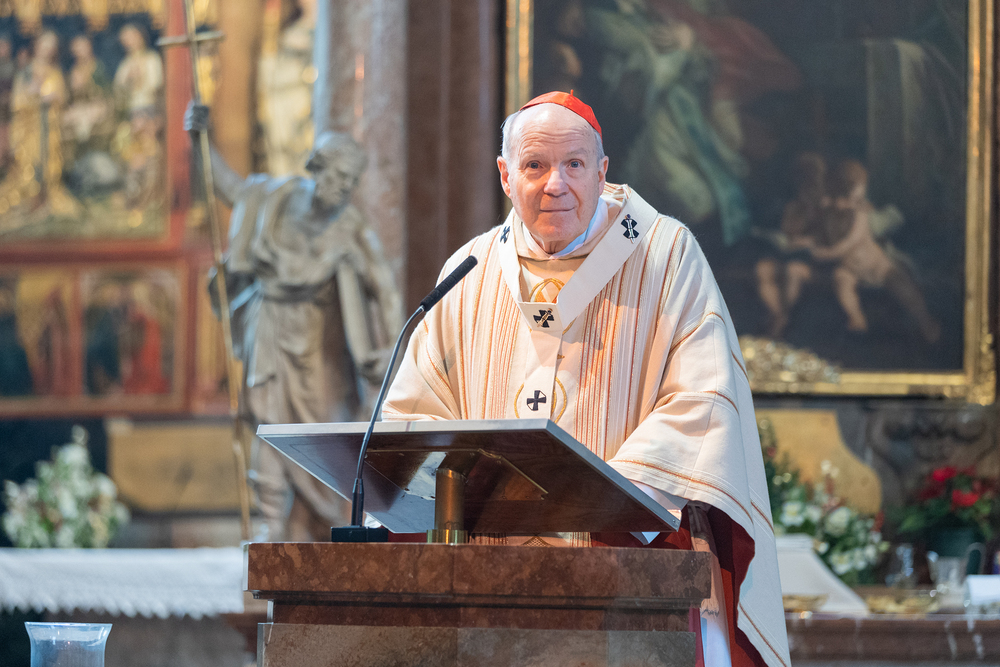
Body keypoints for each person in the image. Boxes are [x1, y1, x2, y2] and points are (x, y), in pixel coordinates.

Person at [382, 91, 788, 667]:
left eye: (574, 164)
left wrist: (600, 504)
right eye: (535, 165)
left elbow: (701, 399)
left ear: (602, 172)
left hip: (627, 568)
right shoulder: (468, 271)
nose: (556, 184)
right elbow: (414, 414)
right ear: (505, 175)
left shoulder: (665, 257)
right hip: (485, 575)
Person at [185, 102, 404, 542]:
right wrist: (201, 141)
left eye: (351, 182)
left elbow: (384, 286)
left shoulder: (351, 228)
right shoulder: (274, 198)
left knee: (326, 429)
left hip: (319, 343)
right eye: (337, 177)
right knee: (267, 424)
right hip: (269, 325)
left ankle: (323, 524)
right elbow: (228, 187)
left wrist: (393, 349)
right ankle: (270, 526)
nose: (343, 189)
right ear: (316, 169)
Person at [806, 159, 940, 342]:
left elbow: (850, 242)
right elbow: (820, 233)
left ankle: (926, 322)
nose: (856, 203)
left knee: (901, 284)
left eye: (858, 199)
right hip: (850, 268)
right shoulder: (830, 212)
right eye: (850, 199)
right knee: (841, 279)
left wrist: (825, 254)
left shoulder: (860, 214)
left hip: (876, 265)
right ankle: (857, 319)